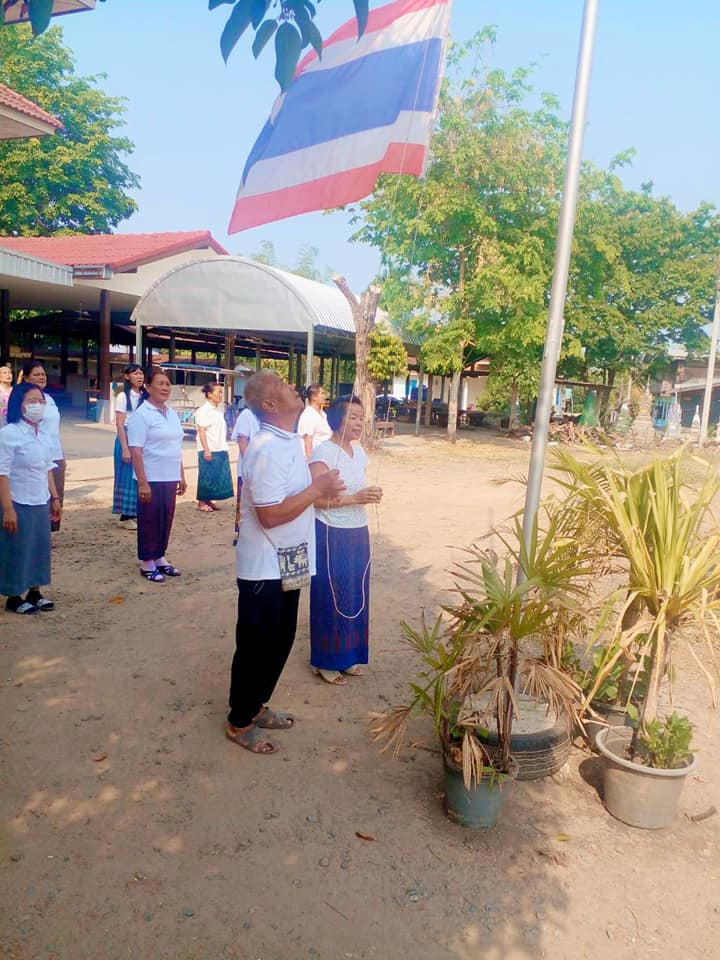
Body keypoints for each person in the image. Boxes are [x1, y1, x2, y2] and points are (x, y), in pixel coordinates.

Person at [226, 370, 345, 754]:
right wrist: (317, 489)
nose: (294, 387)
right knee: (257, 642)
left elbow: (298, 497)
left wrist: (322, 490)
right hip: (264, 564)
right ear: (270, 404)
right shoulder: (264, 447)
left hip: (291, 558)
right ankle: (239, 720)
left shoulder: (288, 441)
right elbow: (269, 515)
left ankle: (257, 704)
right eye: (284, 386)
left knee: (282, 637)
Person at [308, 397, 382, 684]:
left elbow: (358, 486)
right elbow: (317, 501)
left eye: (361, 418)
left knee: (354, 592)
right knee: (330, 594)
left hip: (357, 530)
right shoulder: (322, 454)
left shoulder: (358, 451)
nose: (358, 423)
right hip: (330, 532)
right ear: (337, 418)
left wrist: (370, 494)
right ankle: (325, 661)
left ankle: (348, 655)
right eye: (352, 417)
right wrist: (356, 499)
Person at [0, 382, 62, 614]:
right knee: (16, 547)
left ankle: (35, 591)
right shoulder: (9, 434)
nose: (38, 406)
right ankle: (13, 595)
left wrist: (54, 499)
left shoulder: (43, 434)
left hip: (40, 500)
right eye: (32, 401)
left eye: (41, 401)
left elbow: (47, 468)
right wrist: (8, 508)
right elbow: (2, 472)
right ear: (19, 404)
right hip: (18, 500)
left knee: (38, 547)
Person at [127, 366, 187, 583]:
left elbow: (176, 446)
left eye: (167, 384)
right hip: (150, 477)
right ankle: (147, 561)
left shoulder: (171, 413)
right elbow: (136, 450)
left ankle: (160, 556)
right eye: (160, 384)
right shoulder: (141, 415)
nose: (165, 388)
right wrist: (142, 482)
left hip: (169, 476)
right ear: (148, 387)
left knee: (166, 518)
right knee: (150, 520)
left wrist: (181, 474)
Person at [21, 361, 65, 532]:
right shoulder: (24, 401)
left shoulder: (50, 399)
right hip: (36, 456)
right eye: (37, 374)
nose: (41, 377)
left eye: (43, 374)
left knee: (56, 495)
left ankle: (49, 531)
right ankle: (36, 533)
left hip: (55, 454)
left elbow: (54, 428)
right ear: (26, 378)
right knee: (39, 495)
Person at [112, 364, 145, 530]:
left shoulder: (145, 395)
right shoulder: (123, 396)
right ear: (127, 377)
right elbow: (119, 423)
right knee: (127, 476)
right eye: (135, 373)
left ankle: (136, 513)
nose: (139, 376)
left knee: (140, 475)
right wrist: (125, 448)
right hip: (126, 438)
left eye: (141, 373)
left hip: (141, 439)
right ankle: (125, 516)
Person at [194, 381, 234, 512]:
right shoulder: (203, 411)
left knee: (216, 476)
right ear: (210, 394)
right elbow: (201, 431)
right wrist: (206, 449)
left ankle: (209, 499)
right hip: (209, 448)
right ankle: (201, 502)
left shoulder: (218, 410)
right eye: (219, 392)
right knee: (206, 476)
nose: (221, 395)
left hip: (219, 447)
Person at [230, 401, 260, 543]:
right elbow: (242, 440)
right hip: (248, 469)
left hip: (262, 469)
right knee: (244, 503)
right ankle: (241, 534)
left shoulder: (264, 416)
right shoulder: (247, 414)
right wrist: (249, 465)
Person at [297, 383, 332, 459]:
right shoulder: (308, 415)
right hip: (315, 459)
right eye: (322, 394)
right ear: (313, 397)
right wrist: (310, 462)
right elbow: (308, 440)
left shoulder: (323, 414)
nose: (324, 396)